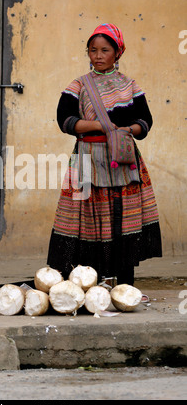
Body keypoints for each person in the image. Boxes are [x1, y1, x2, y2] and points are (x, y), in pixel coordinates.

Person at [46, 23, 162, 289]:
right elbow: (65, 121)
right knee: (89, 221)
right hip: (89, 160)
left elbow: (145, 122)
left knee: (123, 220)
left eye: (104, 50)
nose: (98, 55)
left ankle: (125, 286)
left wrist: (125, 130)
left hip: (123, 162)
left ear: (117, 53)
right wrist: (100, 126)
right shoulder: (79, 85)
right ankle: (89, 285)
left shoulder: (129, 85)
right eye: (93, 50)